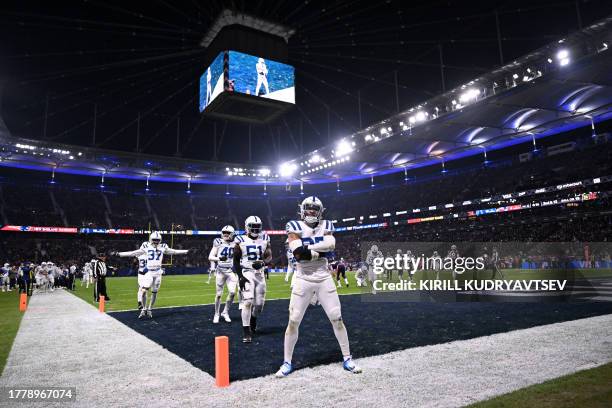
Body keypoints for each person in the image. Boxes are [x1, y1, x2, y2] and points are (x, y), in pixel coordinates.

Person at [276, 196, 361, 377]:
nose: (311, 212)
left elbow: (331, 245)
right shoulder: (294, 225)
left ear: (320, 212)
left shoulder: (327, 225)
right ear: (302, 210)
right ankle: (286, 362)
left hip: (323, 277)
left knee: (336, 317)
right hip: (302, 278)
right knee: (293, 320)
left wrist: (308, 247)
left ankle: (347, 358)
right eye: (308, 209)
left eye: (315, 209)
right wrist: (316, 249)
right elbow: (298, 253)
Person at [111, 232, 190, 318]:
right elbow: (133, 253)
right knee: (144, 291)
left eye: (157, 240)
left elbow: (174, 251)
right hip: (148, 272)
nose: (156, 242)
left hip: (158, 272)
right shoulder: (146, 247)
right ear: (150, 240)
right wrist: (119, 254)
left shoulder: (163, 247)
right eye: (154, 240)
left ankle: (149, 309)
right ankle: (144, 309)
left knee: (154, 292)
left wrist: (187, 251)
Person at [233, 216, 271, 343]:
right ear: (246, 227)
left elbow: (269, 257)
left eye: (257, 227)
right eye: (252, 226)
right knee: (248, 301)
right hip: (247, 272)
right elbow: (236, 261)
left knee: (259, 305)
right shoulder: (240, 239)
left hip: (259, 274)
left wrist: (263, 263)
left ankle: (253, 318)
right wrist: (240, 277)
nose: (255, 229)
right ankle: (246, 331)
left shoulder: (265, 238)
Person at [208, 225, 238, 323]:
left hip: (230, 271)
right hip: (220, 271)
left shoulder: (235, 243)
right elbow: (210, 257)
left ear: (232, 234)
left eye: (227, 233)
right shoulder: (218, 242)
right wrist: (219, 258)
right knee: (219, 295)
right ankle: (216, 314)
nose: (225, 234)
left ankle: (225, 312)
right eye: (224, 232)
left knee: (233, 292)